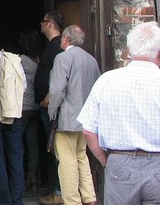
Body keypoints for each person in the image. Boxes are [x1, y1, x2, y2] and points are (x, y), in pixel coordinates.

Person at [78, 22, 160, 205]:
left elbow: (88, 131)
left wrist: (106, 161)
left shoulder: (106, 80)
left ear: (129, 50)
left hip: (120, 164)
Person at [47, 25, 99, 205]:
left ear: (66, 39)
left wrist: (52, 113)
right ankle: (90, 197)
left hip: (67, 118)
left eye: (62, 38)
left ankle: (73, 201)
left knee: (67, 161)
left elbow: (57, 90)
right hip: (86, 119)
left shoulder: (62, 58)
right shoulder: (91, 60)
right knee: (81, 157)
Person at [0, 28, 26, 205]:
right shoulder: (13, 59)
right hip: (13, 111)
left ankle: (3, 200)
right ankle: (17, 199)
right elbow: (24, 86)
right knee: (15, 157)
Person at [34, 11, 64, 204]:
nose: (41, 25)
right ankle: (57, 191)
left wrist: (48, 97)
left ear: (51, 24)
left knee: (56, 149)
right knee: (52, 148)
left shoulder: (58, 46)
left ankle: (59, 192)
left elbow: (60, 75)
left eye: (43, 22)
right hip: (47, 107)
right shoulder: (52, 46)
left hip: (51, 108)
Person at [18, 28, 43, 195]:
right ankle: (33, 178)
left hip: (23, 107)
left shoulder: (21, 60)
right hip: (35, 106)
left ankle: (20, 181)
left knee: (17, 145)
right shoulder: (39, 59)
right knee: (32, 143)